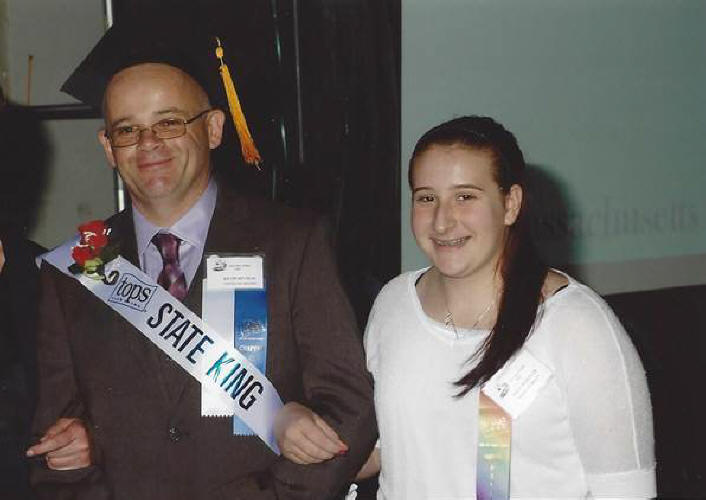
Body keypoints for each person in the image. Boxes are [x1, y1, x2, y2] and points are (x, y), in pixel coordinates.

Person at [28, 13, 375, 500]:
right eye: (127, 130)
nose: (148, 143)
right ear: (108, 147)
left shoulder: (294, 243)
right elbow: (55, 439)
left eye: (169, 122)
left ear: (213, 128)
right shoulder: (80, 264)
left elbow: (348, 408)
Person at [277, 116, 656, 498]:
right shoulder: (394, 304)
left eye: (465, 197)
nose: (442, 221)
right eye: (427, 198)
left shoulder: (577, 326)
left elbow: (627, 491)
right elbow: (387, 448)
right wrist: (287, 424)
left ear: (510, 204)